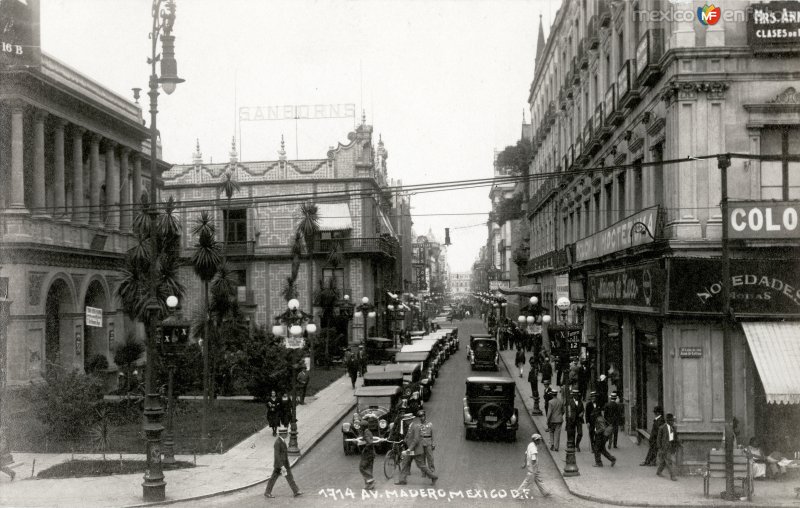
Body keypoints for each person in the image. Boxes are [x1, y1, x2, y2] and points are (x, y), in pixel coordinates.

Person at [396, 410, 437, 485]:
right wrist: (402, 441)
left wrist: (408, 449)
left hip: (416, 451)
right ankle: (402, 480)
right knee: (405, 462)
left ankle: (433, 476)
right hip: (412, 451)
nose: (405, 421)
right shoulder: (411, 426)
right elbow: (408, 437)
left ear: (410, 420)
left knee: (421, 465)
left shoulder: (416, 427)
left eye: (407, 420)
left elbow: (416, 440)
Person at [264, 427, 303, 498]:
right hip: (279, 465)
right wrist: (282, 466)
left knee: (289, 477)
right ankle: (267, 492)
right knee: (274, 478)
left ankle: (296, 491)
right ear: (282, 434)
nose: (287, 434)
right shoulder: (278, 443)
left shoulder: (282, 441)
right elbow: (277, 456)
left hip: (284, 464)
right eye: (285, 433)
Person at [517, 433, 551, 498]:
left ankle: (545, 492)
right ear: (536, 440)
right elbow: (533, 459)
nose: (540, 441)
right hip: (533, 468)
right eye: (539, 440)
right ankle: (518, 493)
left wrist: (524, 462)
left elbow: (526, 453)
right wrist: (534, 468)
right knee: (527, 481)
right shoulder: (534, 449)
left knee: (538, 479)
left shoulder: (530, 445)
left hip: (532, 467)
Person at [656, 413, 678, 481]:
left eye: (673, 421)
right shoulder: (662, 428)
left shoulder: (673, 428)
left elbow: (674, 438)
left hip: (670, 447)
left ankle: (658, 472)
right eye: (671, 421)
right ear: (667, 421)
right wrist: (659, 448)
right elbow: (658, 439)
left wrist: (677, 444)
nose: (673, 422)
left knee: (663, 461)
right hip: (664, 447)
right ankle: (673, 476)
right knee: (669, 462)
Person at [546, 387, 564, 452]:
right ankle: (556, 447)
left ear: (552, 395)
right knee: (557, 433)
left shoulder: (550, 402)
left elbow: (549, 412)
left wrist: (547, 420)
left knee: (551, 432)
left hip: (552, 420)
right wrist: (560, 415)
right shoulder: (560, 401)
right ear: (556, 394)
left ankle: (552, 445)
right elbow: (563, 411)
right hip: (559, 420)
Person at [420, 410, 436, 475]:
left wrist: (433, 443)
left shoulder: (430, 425)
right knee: (422, 458)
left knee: (430, 458)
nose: (421, 418)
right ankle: (424, 472)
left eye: (422, 416)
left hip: (428, 443)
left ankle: (432, 470)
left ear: (425, 416)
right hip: (421, 444)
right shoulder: (418, 426)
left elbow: (433, 434)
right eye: (420, 416)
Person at [569, 388, 585, 452]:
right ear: (573, 395)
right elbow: (567, 410)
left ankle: (577, 444)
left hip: (579, 419)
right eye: (575, 395)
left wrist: (582, 413)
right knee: (572, 433)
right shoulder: (570, 401)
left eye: (577, 395)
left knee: (580, 433)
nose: (576, 396)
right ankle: (572, 445)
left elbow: (583, 409)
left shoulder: (580, 402)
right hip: (572, 419)